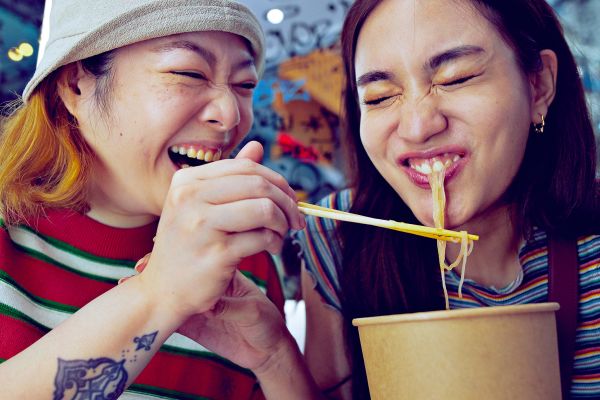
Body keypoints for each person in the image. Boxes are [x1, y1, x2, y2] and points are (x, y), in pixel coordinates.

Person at [0, 0, 322, 399]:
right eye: (187, 73)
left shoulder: (242, 260)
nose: (230, 114)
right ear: (76, 85)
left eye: (244, 85)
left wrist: (275, 358)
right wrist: (160, 293)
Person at [295, 0, 599, 399]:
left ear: (538, 85)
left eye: (456, 78)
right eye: (380, 96)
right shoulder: (339, 235)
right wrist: (270, 352)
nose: (418, 126)